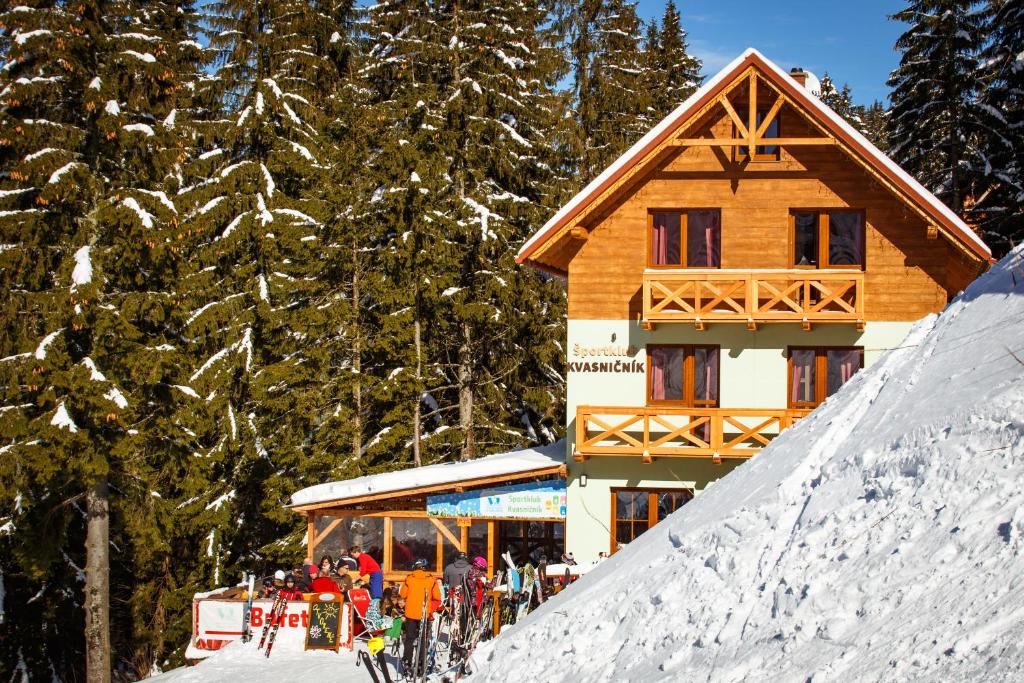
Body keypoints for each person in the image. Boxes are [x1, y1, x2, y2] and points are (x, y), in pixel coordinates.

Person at [399, 558, 441, 676]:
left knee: (410, 638)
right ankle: (421, 664)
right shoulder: (431, 579)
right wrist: (430, 609)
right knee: (423, 639)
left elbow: (402, 594)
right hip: (424, 614)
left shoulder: (409, 578)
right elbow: (437, 597)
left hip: (410, 613)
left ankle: (407, 662)